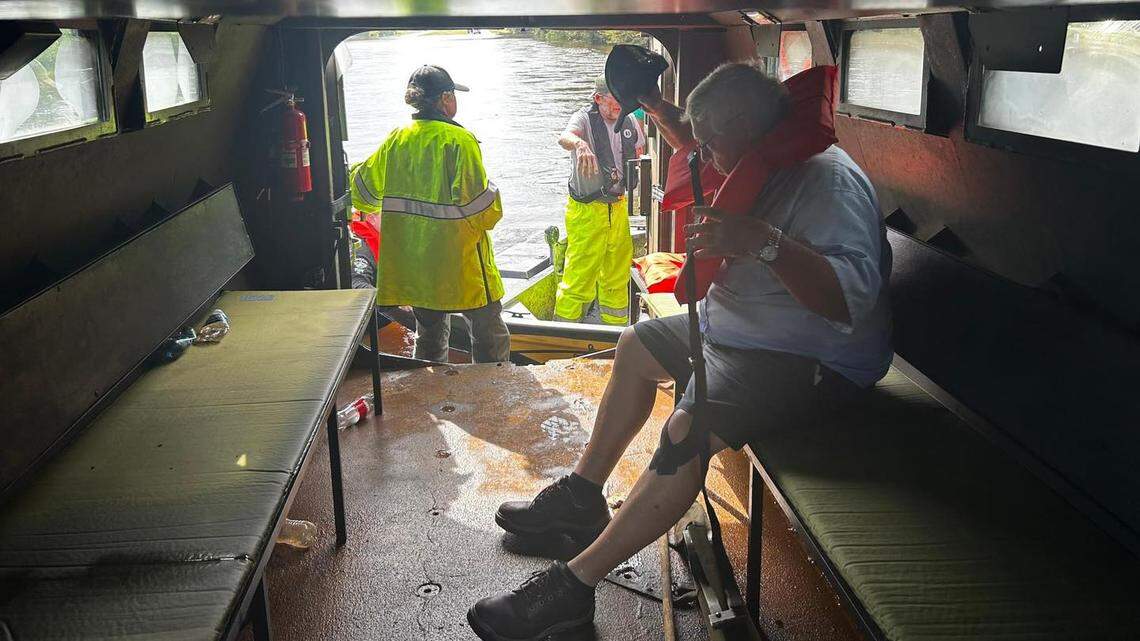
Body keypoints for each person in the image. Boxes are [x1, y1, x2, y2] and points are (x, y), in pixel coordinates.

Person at [467, 62, 893, 640]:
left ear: (745, 123)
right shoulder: (753, 150)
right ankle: (583, 495)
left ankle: (575, 586)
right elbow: (692, 135)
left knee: (685, 429)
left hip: (812, 359)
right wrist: (650, 100)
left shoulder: (826, 181)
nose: (703, 152)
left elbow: (852, 301)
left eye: (711, 139)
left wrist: (763, 244)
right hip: (742, 333)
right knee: (635, 344)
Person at [349, 65, 510, 363]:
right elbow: (485, 213)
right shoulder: (460, 140)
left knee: (429, 337)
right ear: (446, 99)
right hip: (462, 267)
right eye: (453, 96)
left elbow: (362, 194)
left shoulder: (396, 139)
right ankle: (493, 390)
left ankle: (429, 392)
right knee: (489, 334)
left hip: (418, 267)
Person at [553, 76, 645, 325]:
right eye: (615, 99)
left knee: (616, 274)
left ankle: (614, 334)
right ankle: (563, 333)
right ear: (598, 99)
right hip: (587, 210)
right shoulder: (583, 118)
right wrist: (580, 144)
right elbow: (564, 138)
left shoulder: (630, 120)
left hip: (617, 208)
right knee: (579, 276)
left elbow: (639, 149)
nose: (620, 104)